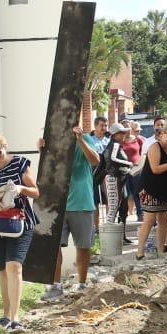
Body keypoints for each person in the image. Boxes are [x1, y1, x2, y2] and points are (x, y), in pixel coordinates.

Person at [0, 130, 40, 331]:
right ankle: (5, 315)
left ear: (5, 146)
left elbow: (36, 192)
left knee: (15, 267)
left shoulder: (21, 163)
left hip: (20, 222)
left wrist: (21, 189)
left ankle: (15, 318)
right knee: (2, 270)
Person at [42, 118, 100, 301]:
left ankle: (82, 284)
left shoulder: (85, 139)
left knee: (83, 246)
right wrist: (42, 151)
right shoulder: (52, 142)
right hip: (58, 204)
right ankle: (55, 286)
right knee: (54, 247)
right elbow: (48, 172)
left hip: (82, 203)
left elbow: (95, 160)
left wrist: (80, 140)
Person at [134, 122, 167, 259]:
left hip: (165, 190)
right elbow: (155, 169)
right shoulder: (155, 147)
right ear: (161, 134)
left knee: (163, 220)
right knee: (149, 219)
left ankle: (160, 250)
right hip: (150, 188)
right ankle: (140, 252)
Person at [89, 114, 112, 220]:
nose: (104, 128)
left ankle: (108, 222)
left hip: (106, 172)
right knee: (95, 201)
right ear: (95, 126)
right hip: (94, 173)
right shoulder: (89, 139)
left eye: (106, 126)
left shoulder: (109, 140)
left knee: (109, 199)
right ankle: (96, 228)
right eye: (102, 125)